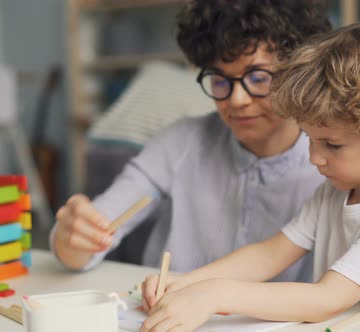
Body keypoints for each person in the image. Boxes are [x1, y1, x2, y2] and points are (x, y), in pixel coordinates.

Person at [140, 17, 360, 332]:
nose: (314, 158)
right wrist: (187, 283)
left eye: (332, 145)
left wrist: (214, 294)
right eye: (309, 138)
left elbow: (326, 298)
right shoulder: (335, 192)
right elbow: (270, 254)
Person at [50, 0, 331, 283]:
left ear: (299, 74)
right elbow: (92, 234)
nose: (236, 100)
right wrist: (73, 239)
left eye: (258, 78)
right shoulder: (180, 143)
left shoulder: (332, 165)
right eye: (220, 80)